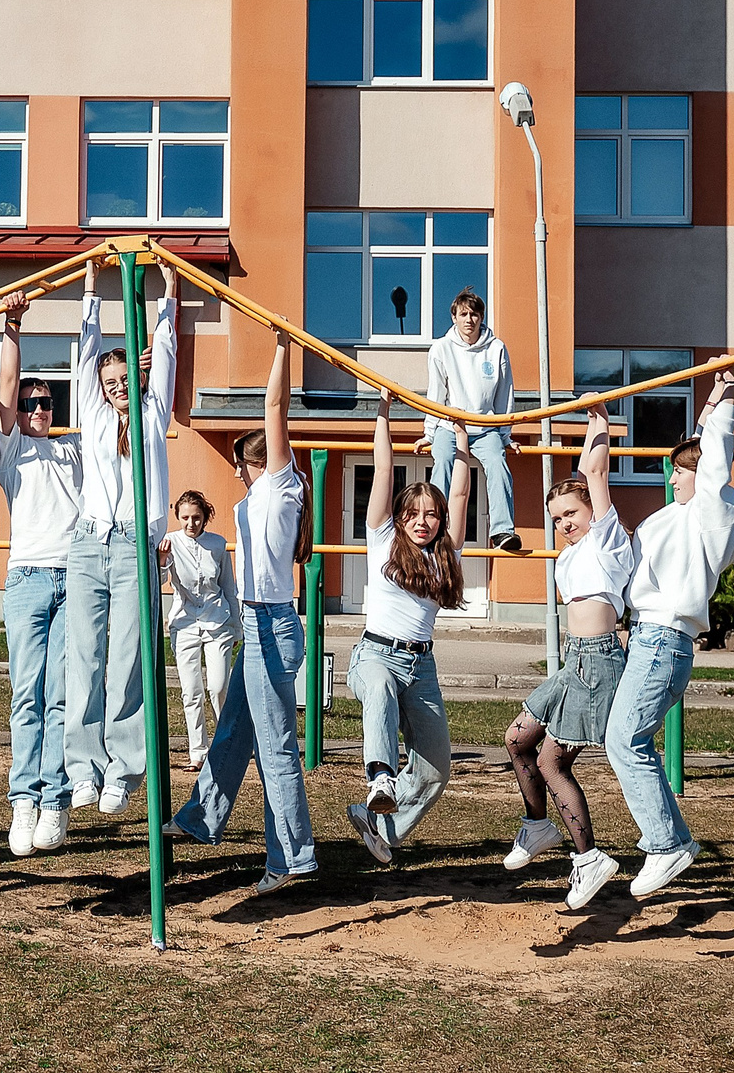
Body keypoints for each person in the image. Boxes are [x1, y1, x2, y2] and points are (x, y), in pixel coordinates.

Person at [605, 362, 734, 899]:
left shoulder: (709, 517)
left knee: (624, 741)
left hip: (663, 641)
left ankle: (666, 843)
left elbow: (715, 461)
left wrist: (727, 404)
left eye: (680, 471)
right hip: (647, 640)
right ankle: (669, 841)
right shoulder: (669, 518)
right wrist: (711, 399)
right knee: (626, 740)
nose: (672, 477)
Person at [167, 325, 317, 894]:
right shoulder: (259, 496)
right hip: (260, 623)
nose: (236, 470)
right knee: (234, 727)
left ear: (261, 461)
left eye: (241, 461)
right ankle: (203, 816)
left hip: (271, 624)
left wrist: (283, 347)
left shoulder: (280, 488)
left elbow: (275, 405)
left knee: (275, 744)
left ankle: (290, 858)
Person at [502, 410, 638, 908]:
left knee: (551, 761)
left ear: (593, 514)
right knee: (517, 741)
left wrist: (598, 419)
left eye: (572, 515)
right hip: (571, 663)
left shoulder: (607, 540)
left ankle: (589, 858)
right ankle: (537, 827)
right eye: (557, 518)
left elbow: (596, 471)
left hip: (599, 663)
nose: (565, 525)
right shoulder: (567, 557)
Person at [66, 258, 178, 815]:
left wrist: (168, 296)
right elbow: (85, 352)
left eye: (123, 380)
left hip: (135, 541)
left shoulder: (153, 411)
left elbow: (167, 354)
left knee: (128, 659)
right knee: (83, 656)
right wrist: (91, 286)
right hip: (89, 541)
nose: (115, 389)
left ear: (137, 377)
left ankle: (122, 769)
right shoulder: (91, 411)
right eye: (109, 383)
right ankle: (82, 769)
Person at [343, 412, 462, 872]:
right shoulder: (381, 540)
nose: (423, 521)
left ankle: (379, 827)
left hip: (422, 667)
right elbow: (384, 468)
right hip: (374, 654)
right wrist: (383, 414)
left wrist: (462, 439)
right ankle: (379, 777)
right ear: (399, 517)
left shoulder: (445, 556)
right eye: (413, 514)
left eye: (431, 515)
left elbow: (461, 489)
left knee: (435, 770)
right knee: (379, 690)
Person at [0, 289, 80, 855]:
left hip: (73, 580)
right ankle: (24, 799)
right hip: (27, 578)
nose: (40, 411)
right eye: (33, 404)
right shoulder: (11, 452)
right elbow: (3, 395)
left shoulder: (73, 452)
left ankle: (56, 803)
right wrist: (12, 330)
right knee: (27, 695)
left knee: (62, 698)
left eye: (48, 402)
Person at [424, 288, 520, 553]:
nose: (469, 319)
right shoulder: (441, 348)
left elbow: (504, 395)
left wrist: (505, 435)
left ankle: (502, 531)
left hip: (484, 425)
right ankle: (435, 527)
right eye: (464, 314)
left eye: (475, 314)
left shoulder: (497, 348)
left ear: (482, 318)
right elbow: (436, 393)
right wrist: (430, 433)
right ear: (454, 317)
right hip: (450, 425)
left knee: (498, 464)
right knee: (442, 462)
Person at [160, 490, 239, 771]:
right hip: (184, 623)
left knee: (218, 686)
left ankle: (226, 744)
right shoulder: (169, 541)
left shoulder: (217, 545)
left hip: (217, 621)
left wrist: (237, 627)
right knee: (191, 691)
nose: (191, 523)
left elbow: (229, 586)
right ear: (178, 518)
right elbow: (158, 578)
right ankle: (198, 751)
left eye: (196, 517)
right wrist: (161, 559)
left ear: (205, 517)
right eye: (185, 518)